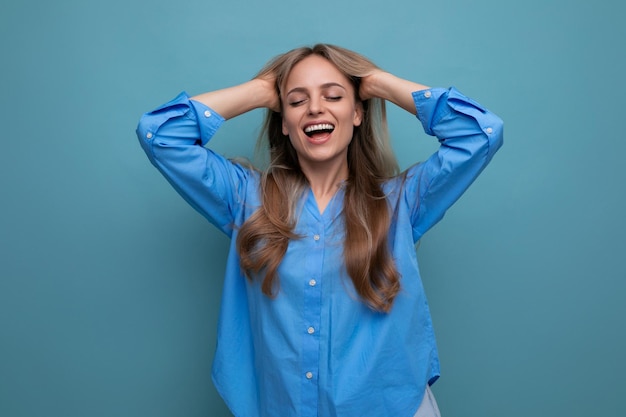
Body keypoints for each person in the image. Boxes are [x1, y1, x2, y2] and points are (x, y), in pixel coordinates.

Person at [136, 43, 503, 417]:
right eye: (297, 101)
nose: (315, 108)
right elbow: (159, 135)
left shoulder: (402, 202)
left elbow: (482, 134)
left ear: (357, 112)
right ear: (283, 121)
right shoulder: (245, 199)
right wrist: (261, 91)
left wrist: (378, 83)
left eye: (334, 96)